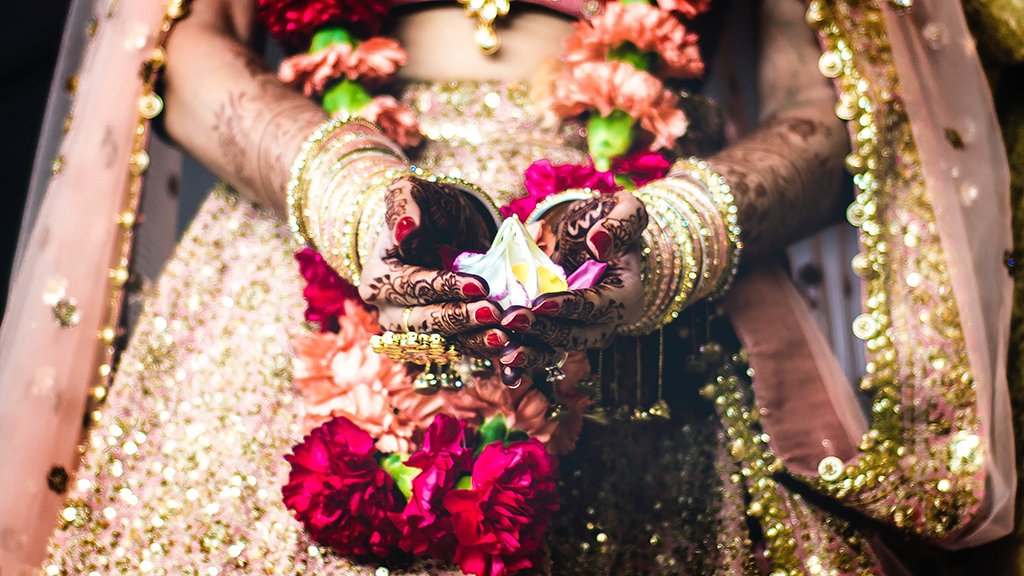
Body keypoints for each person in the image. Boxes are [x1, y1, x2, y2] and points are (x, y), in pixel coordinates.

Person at [0, 0, 1015, 573]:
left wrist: (666, 240)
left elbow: (839, 102)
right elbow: (181, 53)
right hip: (293, 276)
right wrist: (358, 202)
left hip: (648, 331)